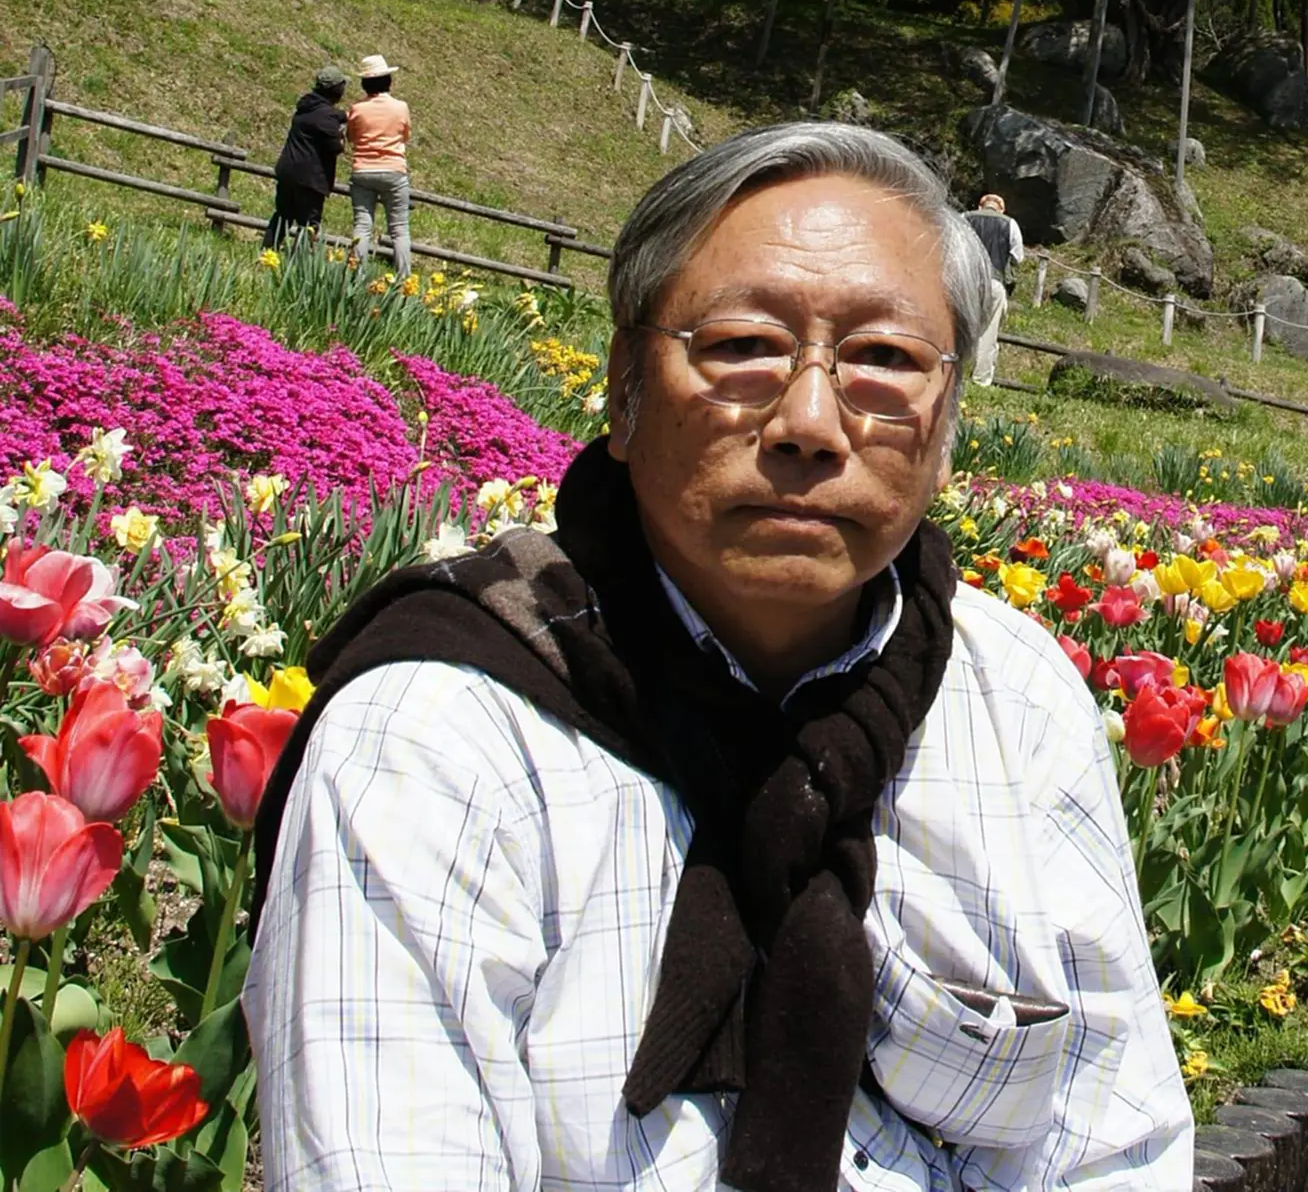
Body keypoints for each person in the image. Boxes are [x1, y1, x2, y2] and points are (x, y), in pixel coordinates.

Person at [244, 123, 1192, 1190]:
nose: (810, 421)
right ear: (622, 388)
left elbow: (1118, 1149)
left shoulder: (1015, 696)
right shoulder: (437, 737)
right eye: (742, 346)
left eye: (883, 359)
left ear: (949, 419)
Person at [262, 67, 346, 252]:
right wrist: (342, 136)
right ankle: (297, 262)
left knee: (283, 215)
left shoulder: (305, 108)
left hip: (288, 170)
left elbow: (331, 116)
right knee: (309, 223)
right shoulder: (327, 117)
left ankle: (267, 251)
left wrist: (344, 116)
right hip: (310, 177)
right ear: (336, 90)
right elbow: (336, 147)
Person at [344, 52, 411, 280]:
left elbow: (351, 137)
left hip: (363, 169)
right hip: (394, 169)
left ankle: (356, 277)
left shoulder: (357, 109)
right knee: (400, 229)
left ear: (364, 83)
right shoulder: (401, 107)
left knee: (362, 226)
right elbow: (405, 135)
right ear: (388, 82)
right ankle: (404, 281)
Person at [964, 190, 1024, 388]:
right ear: (1002, 209)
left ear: (980, 206)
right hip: (994, 282)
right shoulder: (1010, 224)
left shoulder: (965, 218)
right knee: (988, 332)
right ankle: (980, 379)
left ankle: (952, 371)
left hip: (967, 280)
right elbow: (1018, 258)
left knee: (959, 326)